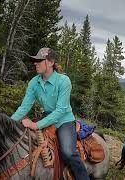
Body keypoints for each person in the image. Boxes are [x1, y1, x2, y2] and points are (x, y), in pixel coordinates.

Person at [11, 48, 89, 180]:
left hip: (64, 120)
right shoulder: (34, 82)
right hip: (46, 118)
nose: (35, 63)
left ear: (51, 62)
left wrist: (36, 125)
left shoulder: (64, 81)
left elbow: (60, 110)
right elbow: (24, 107)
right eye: (35, 61)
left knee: (68, 152)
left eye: (39, 61)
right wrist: (9, 123)